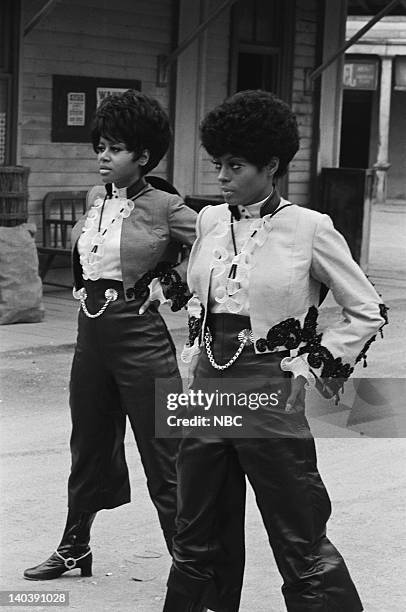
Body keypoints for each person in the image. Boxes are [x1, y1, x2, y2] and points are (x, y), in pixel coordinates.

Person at [162, 90, 388, 611]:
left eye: (235, 165)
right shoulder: (209, 222)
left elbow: (365, 308)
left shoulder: (310, 227)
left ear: (272, 165)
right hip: (208, 394)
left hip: (271, 394)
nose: (221, 176)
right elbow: (201, 300)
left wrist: (309, 366)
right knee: (196, 535)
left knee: (298, 536)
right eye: (218, 163)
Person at [23, 90, 197, 580]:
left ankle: (191, 562)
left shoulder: (166, 206)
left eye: (115, 147)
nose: (103, 154)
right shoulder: (94, 197)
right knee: (89, 446)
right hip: (91, 337)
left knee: (165, 451)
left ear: (142, 156)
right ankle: (75, 546)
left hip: (141, 340)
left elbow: (216, 242)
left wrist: (169, 282)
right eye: (100, 144)